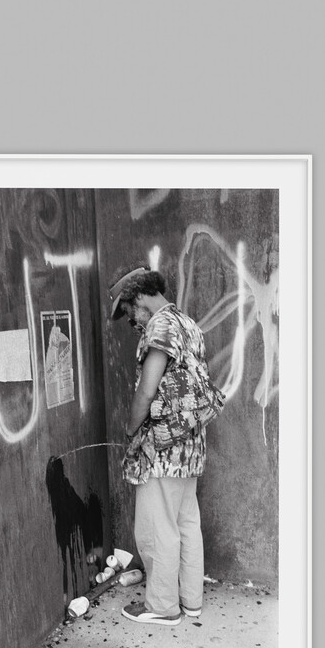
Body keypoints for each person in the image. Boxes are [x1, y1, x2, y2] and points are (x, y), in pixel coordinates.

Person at [108, 265, 212, 627]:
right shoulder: (187, 323)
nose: (130, 321)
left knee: (157, 527)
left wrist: (131, 428)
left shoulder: (160, 327)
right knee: (186, 522)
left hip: (163, 448)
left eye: (128, 311)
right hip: (190, 445)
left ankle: (163, 606)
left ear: (139, 297)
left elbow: (147, 390)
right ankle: (191, 601)